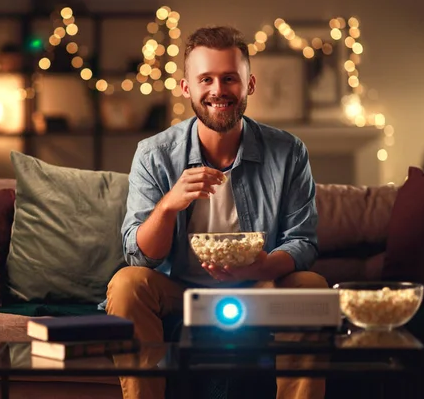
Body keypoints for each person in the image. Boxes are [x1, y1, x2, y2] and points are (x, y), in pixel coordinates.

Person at [106, 25, 327, 399]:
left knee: (313, 289)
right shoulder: (154, 153)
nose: (218, 90)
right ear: (186, 87)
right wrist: (169, 204)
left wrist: (261, 268)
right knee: (126, 284)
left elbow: (302, 241)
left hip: (259, 286)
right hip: (179, 289)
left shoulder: (288, 151)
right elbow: (139, 254)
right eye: (205, 78)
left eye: (229, 79)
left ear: (249, 84)